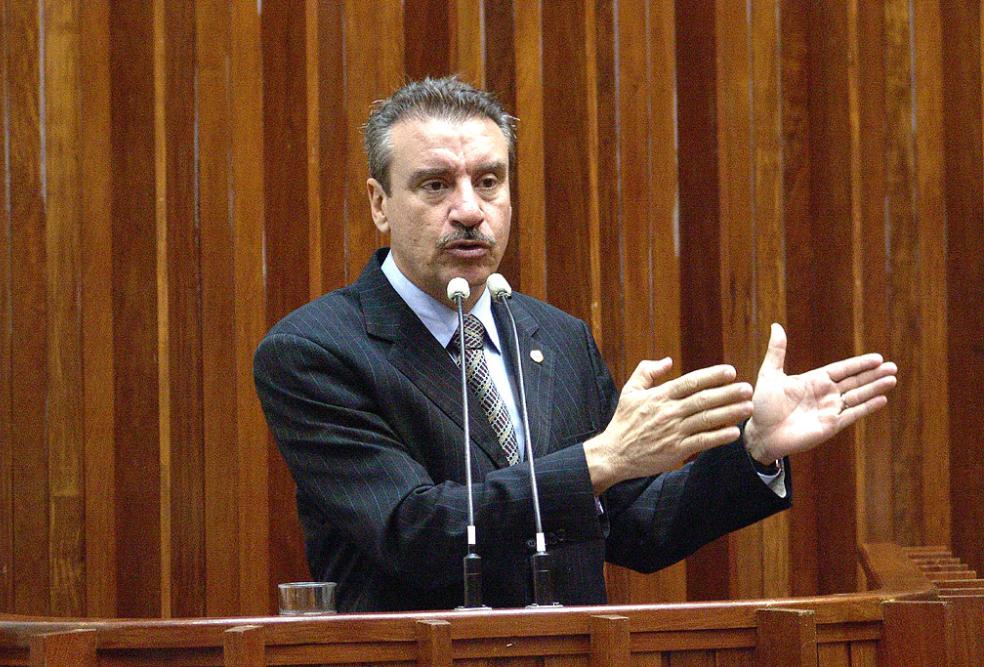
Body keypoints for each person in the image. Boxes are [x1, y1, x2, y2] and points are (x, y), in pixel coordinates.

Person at [253, 76, 897, 613]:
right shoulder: (316, 350)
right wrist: (600, 459)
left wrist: (754, 449)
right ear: (379, 204)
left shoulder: (555, 338)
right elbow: (410, 531)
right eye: (436, 185)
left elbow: (637, 525)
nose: (470, 210)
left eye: (489, 181)